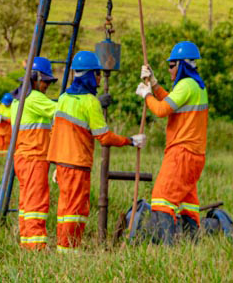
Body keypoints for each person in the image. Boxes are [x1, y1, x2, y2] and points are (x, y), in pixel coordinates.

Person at [47, 51, 144, 252]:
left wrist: (56, 165)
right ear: (91, 75)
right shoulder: (90, 103)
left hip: (62, 163)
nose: (100, 78)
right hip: (77, 165)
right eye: (98, 74)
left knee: (64, 209)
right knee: (76, 211)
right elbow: (104, 137)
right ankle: (69, 252)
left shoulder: (64, 97)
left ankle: (62, 249)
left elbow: (58, 129)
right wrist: (130, 141)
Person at [137, 41, 209, 243]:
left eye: (171, 65)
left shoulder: (185, 85)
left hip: (182, 153)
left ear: (181, 65)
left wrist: (146, 95)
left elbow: (161, 110)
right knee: (188, 203)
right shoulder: (196, 86)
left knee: (162, 198)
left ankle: (166, 251)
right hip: (195, 156)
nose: (169, 69)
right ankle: (191, 245)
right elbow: (172, 101)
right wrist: (154, 84)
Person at [11, 57, 60, 249]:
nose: (47, 85)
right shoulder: (34, 98)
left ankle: (27, 242)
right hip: (34, 157)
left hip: (22, 158)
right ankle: (36, 247)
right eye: (45, 81)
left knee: (26, 203)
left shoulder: (18, 99)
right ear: (35, 78)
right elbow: (64, 111)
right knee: (36, 204)